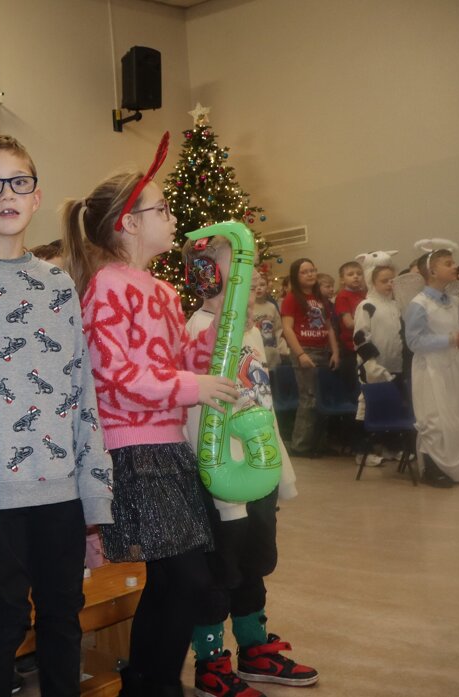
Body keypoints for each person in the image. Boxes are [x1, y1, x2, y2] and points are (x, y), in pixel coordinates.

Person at [0, 134, 113, 697]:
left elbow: (81, 389)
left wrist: (93, 485)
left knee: (63, 613)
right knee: (4, 617)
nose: (6, 194)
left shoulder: (57, 283)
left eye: (18, 182)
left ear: (36, 197)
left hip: (62, 489)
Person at [62, 132, 239, 697]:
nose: (172, 217)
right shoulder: (107, 287)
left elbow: (174, 363)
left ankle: (149, 683)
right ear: (129, 224)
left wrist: (212, 328)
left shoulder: (160, 289)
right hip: (132, 450)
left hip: (166, 446)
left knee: (176, 582)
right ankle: (151, 684)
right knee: (185, 580)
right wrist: (192, 384)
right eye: (161, 209)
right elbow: (116, 373)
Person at [182, 236, 316, 697]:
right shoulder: (198, 332)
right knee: (220, 571)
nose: (255, 274)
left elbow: (263, 405)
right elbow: (197, 416)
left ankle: (255, 648)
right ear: (208, 275)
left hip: (259, 470)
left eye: (253, 264)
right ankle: (210, 662)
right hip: (224, 477)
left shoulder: (251, 331)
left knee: (255, 564)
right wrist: (215, 476)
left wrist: (280, 469)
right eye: (241, 263)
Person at [404, 244, 459, 487]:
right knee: (435, 417)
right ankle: (432, 468)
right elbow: (414, 341)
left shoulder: (454, 301)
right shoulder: (419, 303)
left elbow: (452, 327)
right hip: (431, 367)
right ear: (432, 271)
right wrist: (449, 340)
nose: (454, 267)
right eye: (448, 264)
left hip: (455, 364)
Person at [281, 259, 339, 456]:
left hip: (323, 350)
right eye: (304, 272)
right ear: (296, 276)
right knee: (309, 399)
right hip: (305, 350)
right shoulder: (292, 298)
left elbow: (329, 327)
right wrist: (300, 354)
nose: (310, 274)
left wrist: (335, 352)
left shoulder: (320, 298)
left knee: (321, 399)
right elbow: (287, 329)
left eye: (312, 270)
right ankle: (301, 446)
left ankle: (319, 443)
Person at [353, 257, 403, 465]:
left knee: (393, 406)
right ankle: (362, 452)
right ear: (372, 282)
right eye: (384, 281)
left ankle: (391, 447)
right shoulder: (367, 306)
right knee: (367, 406)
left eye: (392, 280)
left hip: (394, 364)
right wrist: (371, 363)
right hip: (372, 366)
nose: (390, 284)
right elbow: (360, 337)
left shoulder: (395, 305)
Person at [333, 261, 365, 398]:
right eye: (350, 274)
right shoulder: (342, 296)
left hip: (366, 343)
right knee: (355, 385)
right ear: (342, 279)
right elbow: (349, 323)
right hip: (350, 346)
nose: (356, 276)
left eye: (359, 273)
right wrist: (368, 322)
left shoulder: (365, 293)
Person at [250, 271, 288, 369]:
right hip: (252, 351)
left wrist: (281, 348)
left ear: (267, 287)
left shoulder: (272, 307)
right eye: (255, 285)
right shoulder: (248, 307)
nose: (259, 288)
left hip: (270, 353)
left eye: (262, 285)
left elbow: (278, 329)